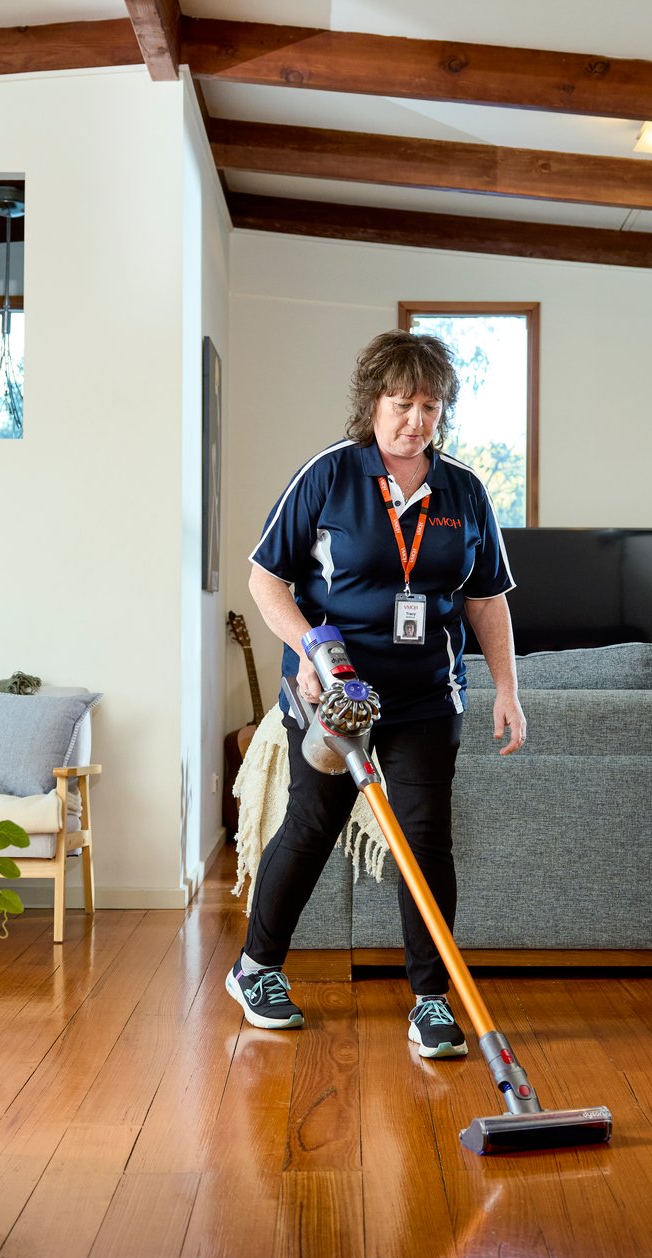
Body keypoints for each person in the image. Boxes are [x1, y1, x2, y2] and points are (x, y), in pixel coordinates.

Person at [227, 329, 526, 1059]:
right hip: (335, 695)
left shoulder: (463, 491)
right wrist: (307, 648)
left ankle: (430, 1002)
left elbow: (487, 600)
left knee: (425, 844)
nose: (416, 420)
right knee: (313, 826)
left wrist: (507, 689)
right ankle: (255, 967)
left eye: (430, 405)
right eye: (403, 403)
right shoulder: (329, 476)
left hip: (427, 695)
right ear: (373, 404)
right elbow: (266, 579)